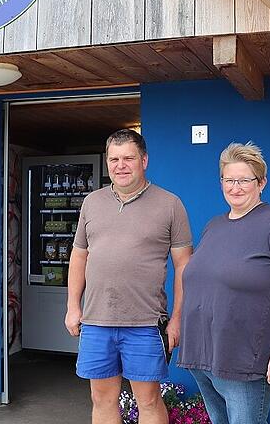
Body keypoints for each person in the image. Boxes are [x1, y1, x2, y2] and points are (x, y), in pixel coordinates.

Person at [65, 129, 193, 424]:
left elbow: (184, 265)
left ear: (144, 160)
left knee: (148, 400)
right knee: (101, 399)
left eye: (128, 158)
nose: (120, 165)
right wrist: (73, 305)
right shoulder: (92, 202)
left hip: (146, 323)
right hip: (96, 322)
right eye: (114, 159)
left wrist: (177, 318)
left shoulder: (170, 204)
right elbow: (79, 256)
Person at [177, 142, 270, 424]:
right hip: (204, 355)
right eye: (229, 180)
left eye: (244, 180)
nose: (235, 187)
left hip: (244, 359)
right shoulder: (215, 225)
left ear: (261, 182)